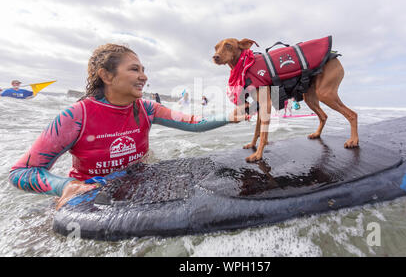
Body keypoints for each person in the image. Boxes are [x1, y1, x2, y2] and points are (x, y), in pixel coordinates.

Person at [8, 44, 245, 209]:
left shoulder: (147, 109)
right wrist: (66, 186)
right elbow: (21, 172)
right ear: (107, 76)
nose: (143, 76)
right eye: (134, 69)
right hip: (90, 196)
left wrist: (232, 116)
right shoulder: (76, 116)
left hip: (137, 187)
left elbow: (195, 124)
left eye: (143, 70)